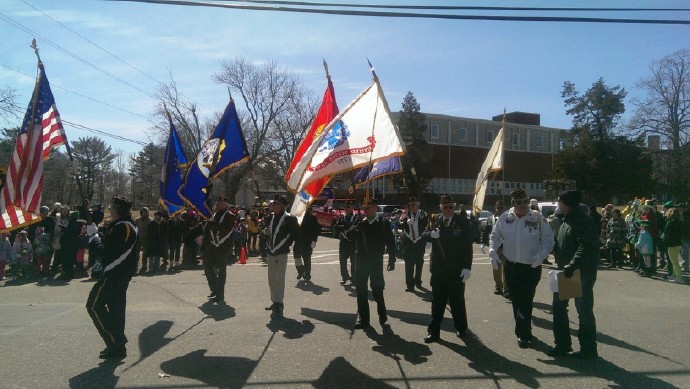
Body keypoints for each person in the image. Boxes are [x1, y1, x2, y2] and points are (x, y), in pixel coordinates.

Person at [489, 189, 554, 349]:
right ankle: (524, 327)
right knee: (516, 299)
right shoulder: (505, 217)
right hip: (511, 265)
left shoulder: (537, 217)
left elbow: (548, 239)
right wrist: (492, 250)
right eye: (519, 202)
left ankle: (523, 334)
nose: (523, 205)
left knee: (526, 299)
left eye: (525, 201)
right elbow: (495, 235)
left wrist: (541, 256)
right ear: (513, 204)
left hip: (531, 266)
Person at [548, 190, 600, 359]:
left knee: (583, 310)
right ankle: (562, 345)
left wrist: (572, 264)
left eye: (559, 201)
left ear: (567, 203)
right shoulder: (566, 219)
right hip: (567, 271)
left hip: (580, 272)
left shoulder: (583, 220)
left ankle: (588, 349)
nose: (557, 204)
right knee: (559, 307)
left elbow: (586, 246)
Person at [86, 196, 138, 359]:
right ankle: (118, 348)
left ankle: (116, 340)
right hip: (119, 274)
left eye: (112, 208)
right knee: (116, 310)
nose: (110, 210)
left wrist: (93, 239)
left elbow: (107, 252)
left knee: (94, 306)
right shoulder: (124, 226)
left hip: (114, 274)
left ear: (118, 210)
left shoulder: (123, 227)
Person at [422, 195, 473, 343]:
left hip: (456, 269)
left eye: (451, 207)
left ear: (454, 207)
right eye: (445, 207)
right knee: (437, 302)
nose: (448, 210)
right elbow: (424, 234)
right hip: (438, 269)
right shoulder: (434, 219)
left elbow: (467, 247)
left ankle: (461, 328)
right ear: (441, 208)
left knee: (457, 301)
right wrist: (431, 234)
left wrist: (466, 267)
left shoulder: (463, 222)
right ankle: (434, 332)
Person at [343, 199, 396, 329]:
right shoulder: (361, 222)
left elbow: (391, 242)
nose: (365, 210)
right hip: (361, 261)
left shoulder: (383, 223)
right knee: (361, 290)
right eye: (364, 207)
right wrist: (356, 228)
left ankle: (382, 312)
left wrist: (392, 260)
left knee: (377, 289)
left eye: (368, 207)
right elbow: (346, 236)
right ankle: (364, 319)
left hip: (375, 261)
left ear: (375, 208)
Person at [263, 194, 302, 317]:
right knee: (272, 279)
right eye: (273, 203)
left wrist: (297, 254)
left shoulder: (289, 219)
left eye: (276, 204)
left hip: (282, 252)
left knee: (279, 279)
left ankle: (279, 304)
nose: (273, 205)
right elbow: (266, 233)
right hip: (271, 251)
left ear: (282, 206)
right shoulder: (270, 218)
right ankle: (274, 301)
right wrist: (264, 232)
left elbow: (296, 236)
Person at [201, 197, 235, 303]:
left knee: (221, 271)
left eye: (221, 204)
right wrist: (203, 245)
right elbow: (207, 231)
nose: (219, 205)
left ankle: (220, 294)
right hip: (211, 246)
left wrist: (214, 224)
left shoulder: (229, 216)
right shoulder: (213, 215)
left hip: (223, 247)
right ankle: (214, 289)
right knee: (207, 267)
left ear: (226, 205)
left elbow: (226, 229)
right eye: (218, 203)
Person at [400, 196, 429, 292]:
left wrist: (426, 239)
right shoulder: (405, 214)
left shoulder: (423, 214)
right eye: (410, 204)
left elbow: (425, 226)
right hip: (408, 241)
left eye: (414, 204)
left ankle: (418, 281)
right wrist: (406, 223)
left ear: (418, 205)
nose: (412, 206)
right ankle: (410, 285)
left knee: (419, 262)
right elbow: (400, 225)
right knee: (409, 263)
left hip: (419, 241)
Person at [485, 201, 507, 295]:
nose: (500, 209)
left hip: (507, 247)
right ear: (495, 208)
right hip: (496, 247)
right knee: (496, 268)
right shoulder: (491, 218)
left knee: (507, 269)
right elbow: (486, 230)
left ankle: (507, 289)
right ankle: (498, 286)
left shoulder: (509, 218)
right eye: (498, 208)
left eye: (501, 208)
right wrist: (482, 242)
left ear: (504, 208)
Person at [335, 201, 358, 286]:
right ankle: (344, 277)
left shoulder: (356, 217)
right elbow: (336, 227)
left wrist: (347, 226)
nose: (346, 209)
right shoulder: (342, 217)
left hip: (352, 242)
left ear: (352, 208)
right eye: (345, 207)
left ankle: (354, 278)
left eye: (348, 207)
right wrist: (342, 226)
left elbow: (356, 227)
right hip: (343, 242)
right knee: (343, 261)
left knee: (354, 261)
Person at [297, 205, 320, 282]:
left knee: (307, 258)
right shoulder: (298, 217)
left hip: (308, 241)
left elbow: (317, 230)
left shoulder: (312, 217)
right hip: (299, 241)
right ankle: (300, 270)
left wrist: (314, 240)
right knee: (297, 258)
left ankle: (307, 274)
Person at [662, 207, 684, 283]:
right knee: (674, 261)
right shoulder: (679, 222)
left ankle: (679, 277)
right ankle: (674, 275)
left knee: (674, 261)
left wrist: (665, 241)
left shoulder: (671, 222)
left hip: (671, 244)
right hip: (677, 243)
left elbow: (668, 234)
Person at [134, 207, 151, 274]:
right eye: (142, 212)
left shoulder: (150, 220)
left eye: (145, 212)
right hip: (138, 238)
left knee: (145, 254)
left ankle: (144, 267)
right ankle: (135, 267)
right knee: (136, 254)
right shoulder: (138, 220)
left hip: (146, 238)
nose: (143, 213)